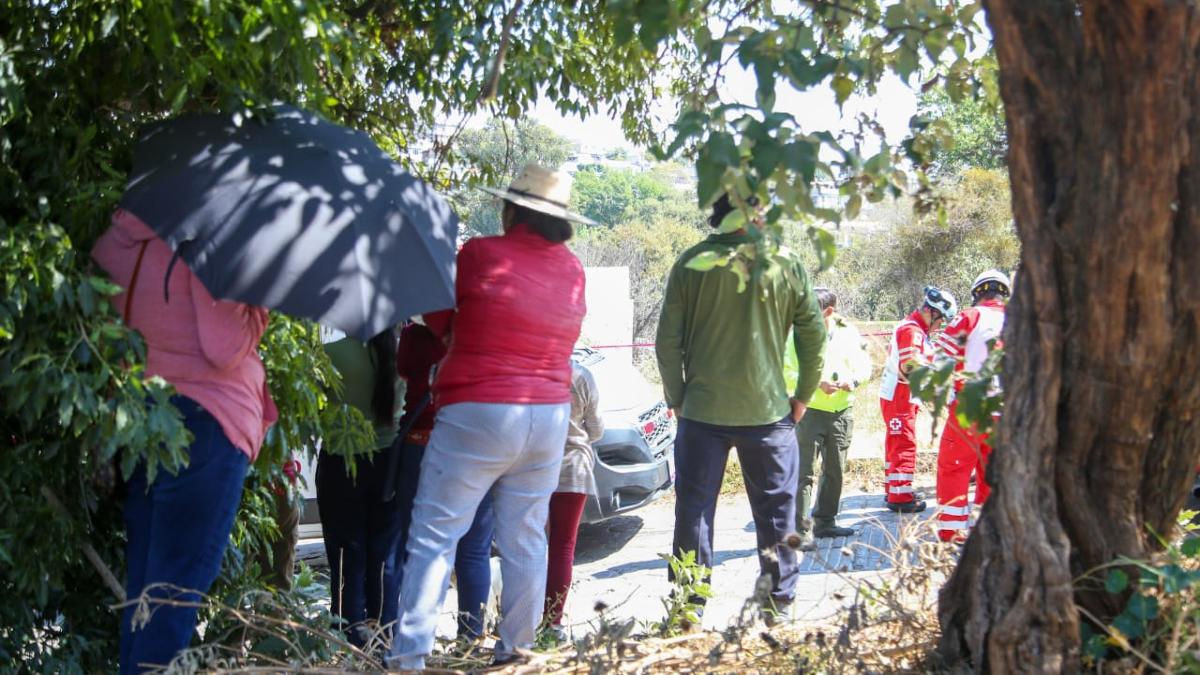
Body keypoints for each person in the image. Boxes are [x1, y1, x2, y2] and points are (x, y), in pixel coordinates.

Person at [386, 164, 589, 670]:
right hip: (548, 416)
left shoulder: (480, 254)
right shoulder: (573, 269)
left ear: (511, 208)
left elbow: (439, 322)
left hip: (479, 411)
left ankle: (409, 659)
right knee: (525, 538)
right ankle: (516, 655)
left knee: (436, 534)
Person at [92, 209, 278, 675]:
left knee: (147, 601)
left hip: (140, 421)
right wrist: (258, 307)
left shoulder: (123, 235)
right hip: (205, 424)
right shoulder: (211, 234)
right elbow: (223, 345)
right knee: (170, 605)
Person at [656, 193, 826, 622]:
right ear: (758, 211)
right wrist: (803, 395)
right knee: (776, 513)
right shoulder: (786, 264)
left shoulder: (691, 263)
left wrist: (677, 397)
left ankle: (686, 609)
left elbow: (667, 342)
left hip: (700, 413)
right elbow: (813, 337)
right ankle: (778, 606)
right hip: (768, 414)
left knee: (694, 511)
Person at [393, 318, 496, 642]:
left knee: (421, 548)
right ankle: (471, 639)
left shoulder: (413, 336)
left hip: (421, 448)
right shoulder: (480, 327)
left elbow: (405, 369)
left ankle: (414, 643)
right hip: (473, 446)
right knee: (474, 551)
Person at [314, 327, 404, 647]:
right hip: (389, 464)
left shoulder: (331, 356)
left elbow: (313, 409)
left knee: (344, 553)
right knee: (384, 554)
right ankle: (383, 633)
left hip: (341, 461)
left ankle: (348, 633)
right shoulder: (399, 355)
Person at [932, 270, 1009, 541]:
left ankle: (952, 532)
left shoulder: (970, 316)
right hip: (1005, 413)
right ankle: (986, 530)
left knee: (954, 468)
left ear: (977, 293)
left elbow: (941, 359)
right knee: (992, 473)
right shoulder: (1021, 320)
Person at [794, 288, 873, 550]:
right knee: (803, 473)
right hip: (808, 411)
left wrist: (854, 380)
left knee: (835, 471)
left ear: (828, 311)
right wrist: (817, 384)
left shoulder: (848, 332)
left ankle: (825, 522)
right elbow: (784, 370)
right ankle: (801, 530)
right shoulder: (796, 331)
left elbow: (864, 364)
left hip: (841, 413)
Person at [878, 286, 956, 513]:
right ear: (933, 313)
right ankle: (900, 498)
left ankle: (894, 488)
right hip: (900, 396)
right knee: (904, 444)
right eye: (941, 321)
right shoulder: (912, 331)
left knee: (896, 444)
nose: (941, 326)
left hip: (900, 396)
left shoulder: (913, 328)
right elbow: (908, 366)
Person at [543, 360, 603, 640]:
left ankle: (521, 618)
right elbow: (596, 429)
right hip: (573, 469)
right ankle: (552, 623)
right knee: (563, 547)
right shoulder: (582, 375)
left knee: (528, 545)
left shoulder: (534, 369)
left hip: (535, 467)